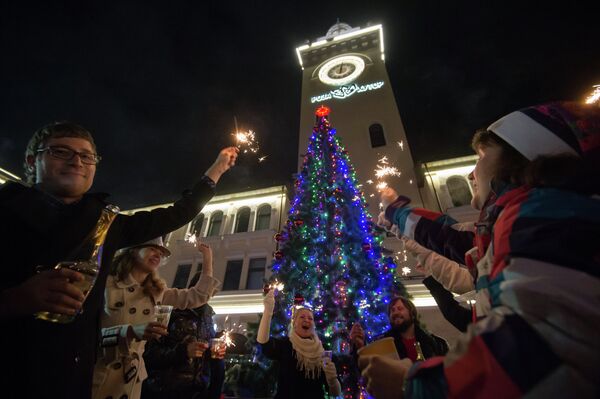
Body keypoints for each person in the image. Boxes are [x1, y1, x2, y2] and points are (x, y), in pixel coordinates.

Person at [359, 102, 600, 398]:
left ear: (522, 157)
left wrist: (415, 384)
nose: (473, 173)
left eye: (482, 156)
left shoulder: (541, 218)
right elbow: (450, 237)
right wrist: (397, 216)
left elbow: (530, 353)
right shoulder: (523, 217)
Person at [0, 121, 238, 399]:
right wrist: (15, 299)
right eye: (61, 152)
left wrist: (218, 169)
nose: (77, 161)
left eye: (87, 156)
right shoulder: (8, 212)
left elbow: (178, 213)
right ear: (32, 160)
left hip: (73, 380)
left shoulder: (105, 223)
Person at [93, 240, 220, 399]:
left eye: (161, 254)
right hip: (100, 377)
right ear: (133, 250)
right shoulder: (104, 283)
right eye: (152, 249)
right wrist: (131, 332)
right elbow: (86, 336)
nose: (157, 255)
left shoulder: (158, 292)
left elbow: (197, 296)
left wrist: (207, 258)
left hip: (130, 383)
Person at [143, 270, 226, 399]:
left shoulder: (208, 318)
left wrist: (213, 353)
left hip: (197, 393)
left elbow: (205, 361)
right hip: (165, 392)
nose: (210, 293)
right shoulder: (170, 311)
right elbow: (149, 354)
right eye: (207, 288)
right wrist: (183, 351)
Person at [257, 289, 342, 399]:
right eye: (302, 317)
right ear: (294, 323)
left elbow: (335, 393)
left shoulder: (323, 350)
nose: (307, 320)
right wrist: (268, 311)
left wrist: (332, 379)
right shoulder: (286, 344)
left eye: (310, 318)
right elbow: (263, 342)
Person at [350, 296, 448, 361]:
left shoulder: (437, 344)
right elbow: (368, 370)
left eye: (400, 309)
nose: (396, 313)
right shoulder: (381, 344)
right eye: (392, 311)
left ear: (412, 314)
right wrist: (360, 346)